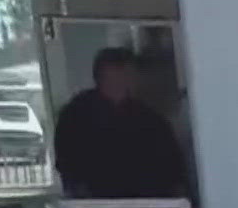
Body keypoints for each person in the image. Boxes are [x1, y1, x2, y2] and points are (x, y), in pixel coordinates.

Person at [54, 47, 186, 199]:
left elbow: (171, 165)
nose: (130, 79)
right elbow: (67, 163)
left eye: (130, 74)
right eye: (124, 73)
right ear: (107, 75)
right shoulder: (76, 114)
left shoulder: (147, 118)